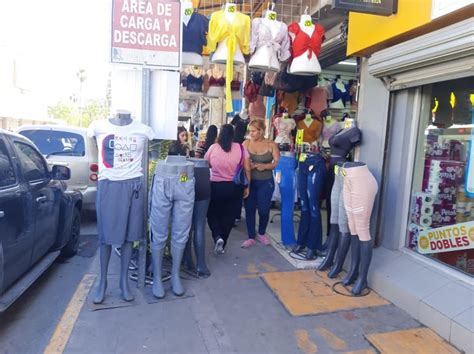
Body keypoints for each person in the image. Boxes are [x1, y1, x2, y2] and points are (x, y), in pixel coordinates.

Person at [205, 124, 251, 254]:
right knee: (229, 216)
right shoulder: (241, 148)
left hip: (215, 186)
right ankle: (223, 242)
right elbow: (247, 168)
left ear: (220, 135)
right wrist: (247, 186)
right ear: (233, 135)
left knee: (212, 213)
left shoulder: (213, 148)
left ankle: (217, 236)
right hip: (235, 187)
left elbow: (205, 164)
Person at [242, 119, 280, 248]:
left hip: (266, 182)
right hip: (250, 182)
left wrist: (266, 166)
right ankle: (251, 236)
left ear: (261, 131)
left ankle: (262, 233)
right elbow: (239, 160)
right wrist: (248, 165)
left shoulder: (271, 144)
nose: (250, 133)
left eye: (253, 131)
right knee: (250, 209)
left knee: (264, 210)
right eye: (250, 131)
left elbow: (276, 162)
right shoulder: (246, 143)